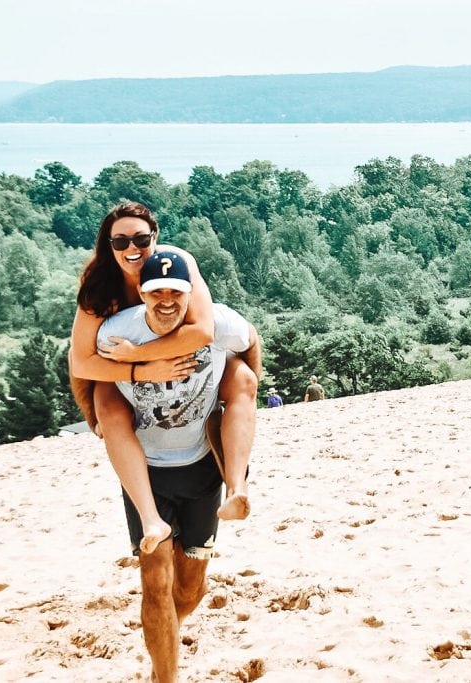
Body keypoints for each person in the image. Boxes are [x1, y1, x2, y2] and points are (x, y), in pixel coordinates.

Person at [97, 251, 261, 683]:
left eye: (176, 292)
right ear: (142, 294)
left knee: (189, 590)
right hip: (146, 470)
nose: (166, 300)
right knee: (155, 582)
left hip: (200, 465)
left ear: (191, 294)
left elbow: (251, 342)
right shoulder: (117, 333)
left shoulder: (220, 324)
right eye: (157, 292)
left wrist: (242, 390)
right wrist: (95, 412)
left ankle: (237, 487)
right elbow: (84, 368)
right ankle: (164, 676)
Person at [69, 202, 258, 556]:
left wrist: (141, 355)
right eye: (120, 241)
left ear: (155, 237)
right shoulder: (99, 285)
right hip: (121, 368)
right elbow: (81, 363)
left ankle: (237, 488)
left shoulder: (178, 263)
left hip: (167, 356)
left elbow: (203, 331)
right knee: (105, 404)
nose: (132, 248)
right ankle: (151, 519)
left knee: (243, 379)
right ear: (108, 245)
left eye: (141, 239)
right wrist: (134, 376)